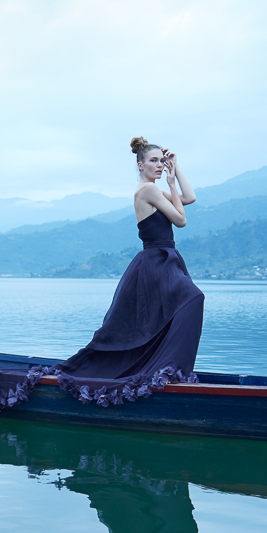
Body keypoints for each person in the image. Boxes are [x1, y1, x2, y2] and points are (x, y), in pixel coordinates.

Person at [61, 137, 204, 380]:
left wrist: (176, 167)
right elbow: (181, 221)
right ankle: (169, 370)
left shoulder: (153, 190)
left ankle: (164, 369)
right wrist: (170, 183)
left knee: (165, 316)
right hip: (157, 261)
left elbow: (189, 198)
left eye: (162, 161)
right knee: (193, 299)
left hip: (164, 259)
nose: (159, 165)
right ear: (140, 165)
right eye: (154, 161)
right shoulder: (148, 190)